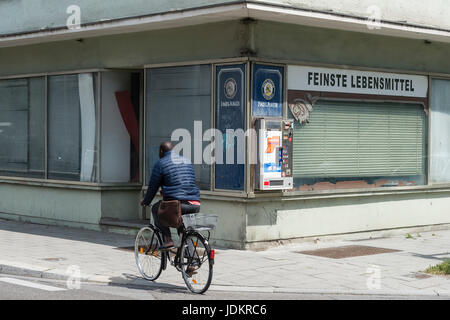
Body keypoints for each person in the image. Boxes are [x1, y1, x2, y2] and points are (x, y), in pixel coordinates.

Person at [141, 141, 200, 250]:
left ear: (161, 151)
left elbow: (153, 187)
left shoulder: (161, 163)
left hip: (177, 205)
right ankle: (192, 260)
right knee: (184, 230)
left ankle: (167, 239)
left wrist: (146, 201)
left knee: (155, 209)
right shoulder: (187, 160)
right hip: (195, 203)